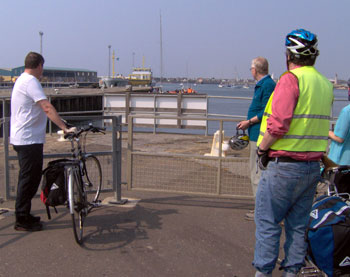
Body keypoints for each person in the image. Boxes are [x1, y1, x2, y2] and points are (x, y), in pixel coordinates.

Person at [253, 29, 334, 276]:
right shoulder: (324, 84)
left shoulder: (291, 79)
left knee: (268, 223)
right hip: (312, 167)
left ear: (289, 54)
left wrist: (262, 148)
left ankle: (263, 273)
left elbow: (278, 125)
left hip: (284, 165)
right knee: (298, 226)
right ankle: (292, 272)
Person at [10, 52, 70, 232]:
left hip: (25, 138)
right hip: (28, 139)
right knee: (28, 179)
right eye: (42, 67)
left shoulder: (22, 80)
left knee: (31, 178)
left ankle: (25, 214)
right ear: (39, 66)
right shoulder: (30, 82)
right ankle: (21, 219)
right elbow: (46, 107)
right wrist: (64, 127)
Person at [237, 57, 275, 220]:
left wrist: (249, 121)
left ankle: (259, 210)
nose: (250, 71)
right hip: (256, 133)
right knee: (259, 172)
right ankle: (262, 208)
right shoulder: (266, 85)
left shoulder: (266, 85)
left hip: (258, 136)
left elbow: (267, 111)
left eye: (251, 68)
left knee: (256, 173)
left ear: (255, 70)